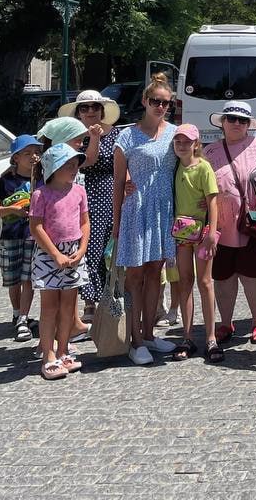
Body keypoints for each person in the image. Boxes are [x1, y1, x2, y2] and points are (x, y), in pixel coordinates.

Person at [111, 72, 179, 365]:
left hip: (163, 210)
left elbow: (191, 164)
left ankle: (149, 332)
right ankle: (135, 338)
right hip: (136, 210)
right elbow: (116, 183)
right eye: (155, 101)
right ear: (144, 101)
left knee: (155, 273)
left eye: (165, 102)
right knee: (134, 276)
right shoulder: (126, 135)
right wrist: (115, 224)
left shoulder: (176, 133)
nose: (160, 106)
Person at [206, 100, 256, 348]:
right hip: (220, 227)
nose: (237, 124)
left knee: (255, 276)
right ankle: (226, 322)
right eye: (232, 119)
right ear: (223, 123)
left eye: (242, 120)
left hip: (252, 224)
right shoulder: (209, 152)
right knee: (223, 277)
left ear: (249, 125)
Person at [59, 89, 121, 323]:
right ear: (78, 112)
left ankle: (112, 297)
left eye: (95, 107)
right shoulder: (75, 137)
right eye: (85, 108)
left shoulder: (115, 134)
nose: (91, 111)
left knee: (111, 249)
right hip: (86, 196)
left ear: (102, 110)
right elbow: (87, 162)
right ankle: (90, 301)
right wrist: (93, 139)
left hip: (112, 193)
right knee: (91, 249)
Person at [29, 143, 90, 380]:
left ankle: (63, 349)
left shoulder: (79, 191)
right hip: (49, 254)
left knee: (68, 306)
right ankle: (48, 354)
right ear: (54, 167)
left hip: (74, 252)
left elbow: (85, 223)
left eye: (75, 165)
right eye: (68, 165)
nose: (74, 169)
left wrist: (82, 249)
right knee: (49, 308)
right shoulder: (40, 194)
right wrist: (55, 254)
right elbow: (36, 227)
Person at [170, 124, 221, 362]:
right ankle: (187, 336)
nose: (182, 145)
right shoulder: (174, 166)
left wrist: (211, 232)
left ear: (196, 144)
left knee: (205, 282)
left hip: (202, 233)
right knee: (184, 282)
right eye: (178, 141)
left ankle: (211, 337)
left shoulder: (204, 167)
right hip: (182, 233)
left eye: (187, 142)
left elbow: (213, 201)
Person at [0, 134, 40, 342]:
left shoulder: (42, 178)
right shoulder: (6, 181)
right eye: (27, 153)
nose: (33, 157)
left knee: (28, 278)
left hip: (33, 235)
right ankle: (17, 311)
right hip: (10, 235)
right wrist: (12, 209)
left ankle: (23, 318)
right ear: (16, 158)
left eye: (36, 152)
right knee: (13, 279)